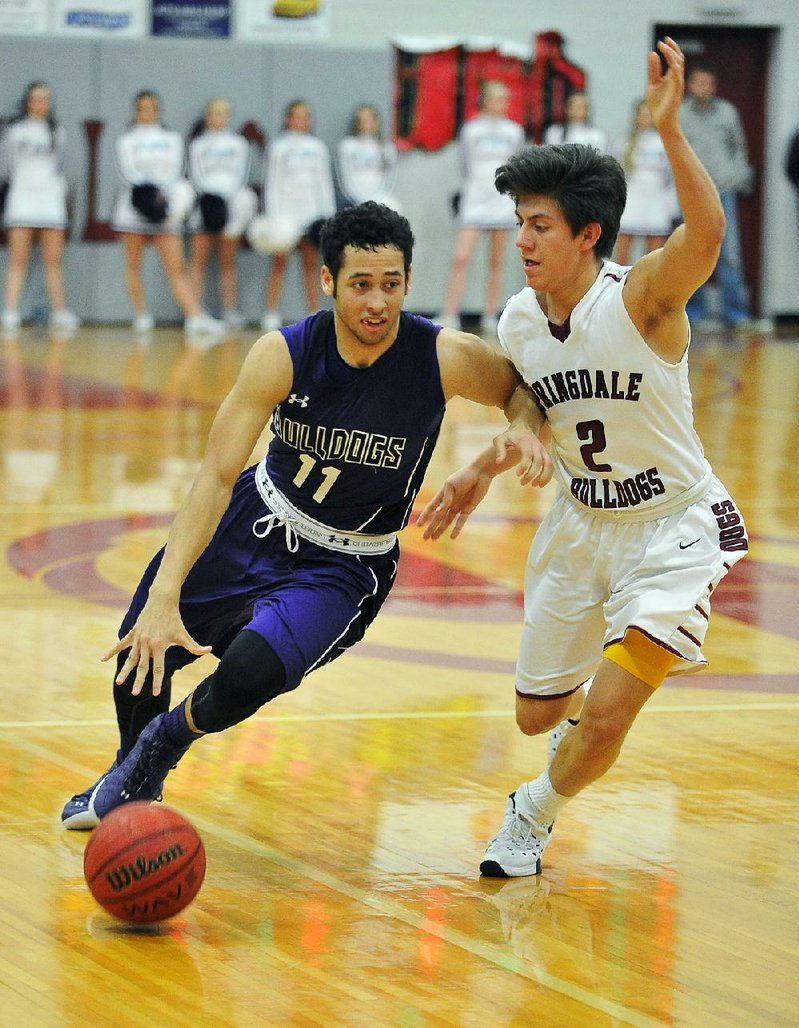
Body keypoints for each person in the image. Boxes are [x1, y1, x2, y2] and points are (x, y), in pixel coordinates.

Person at [59, 200, 552, 830]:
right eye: (361, 285)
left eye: (392, 284)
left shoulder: (441, 355)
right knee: (141, 654)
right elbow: (214, 476)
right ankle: (131, 784)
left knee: (247, 673)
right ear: (327, 281)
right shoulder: (283, 353)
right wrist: (164, 591)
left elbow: (521, 390)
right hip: (256, 516)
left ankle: (161, 748)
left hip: (346, 562)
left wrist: (514, 440)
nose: (378, 302)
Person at [418, 38, 749, 877]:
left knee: (606, 715)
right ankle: (567, 743)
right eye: (518, 223)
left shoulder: (640, 298)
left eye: (539, 226)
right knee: (539, 716)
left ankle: (532, 815)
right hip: (580, 524)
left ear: (587, 233)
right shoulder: (520, 320)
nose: (522, 240)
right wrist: (492, 459)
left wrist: (669, 134)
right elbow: (535, 399)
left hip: (673, 525)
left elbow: (705, 234)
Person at [112, 90, 225, 341]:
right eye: (143, 107)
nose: (148, 111)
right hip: (134, 209)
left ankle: (195, 316)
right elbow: (126, 172)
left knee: (177, 266)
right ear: (136, 111)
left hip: (164, 210)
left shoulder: (172, 139)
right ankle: (141, 315)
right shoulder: (126, 140)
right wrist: (145, 196)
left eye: (153, 106)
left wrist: (164, 199)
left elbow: (177, 170)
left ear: (158, 109)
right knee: (133, 265)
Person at [436, 81, 525, 336]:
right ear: (484, 100)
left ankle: (489, 314)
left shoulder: (514, 131)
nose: (500, 103)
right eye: (495, 98)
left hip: (502, 201)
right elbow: (463, 165)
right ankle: (450, 313)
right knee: (460, 258)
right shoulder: (471, 130)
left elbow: (516, 165)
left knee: (496, 262)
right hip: (475, 200)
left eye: (504, 99)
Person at [680, 63, 755, 331]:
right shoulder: (680, 114)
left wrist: (737, 176)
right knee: (691, 253)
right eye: (699, 82)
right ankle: (693, 313)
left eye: (708, 83)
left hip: (722, 191)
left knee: (729, 254)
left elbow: (739, 149)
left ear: (714, 86)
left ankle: (736, 314)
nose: (704, 88)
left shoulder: (727, 113)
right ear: (689, 85)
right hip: (690, 193)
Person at [0, 82, 80, 333]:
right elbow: (6, 167)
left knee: (53, 260)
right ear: (27, 101)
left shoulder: (57, 132)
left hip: (50, 201)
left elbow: (57, 165)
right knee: (18, 259)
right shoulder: (14, 131)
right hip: (22, 198)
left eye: (45, 98)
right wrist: (25, 184)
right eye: (35, 98)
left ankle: (59, 311)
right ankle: (10, 311)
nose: (40, 103)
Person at [260, 99, 336, 332]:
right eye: (296, 116)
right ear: (288, 118)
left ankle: (313, 311)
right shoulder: (279, 147)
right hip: (286, 214)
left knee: (311, 263)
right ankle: (271, 312)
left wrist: (328, 216)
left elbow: (324, 182)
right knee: (279, 263)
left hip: (311, 214)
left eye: (305, 116)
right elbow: (272, 183)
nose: (301, 120)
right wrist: (275, 216)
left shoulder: (317, 147)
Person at [186, 98, 258, 330]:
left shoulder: (239, 144)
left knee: (228, 263)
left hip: (230, 207)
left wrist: (227, 200)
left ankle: (230, 311)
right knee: (198, 262)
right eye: (215, 113)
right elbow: (195, 175)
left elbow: (241, 175)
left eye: (224, 113)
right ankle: (194, 313)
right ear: (208, 116)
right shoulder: (198, 144)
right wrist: (210, 198)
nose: (220, 117)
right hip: (205, 206)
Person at [614, 98, 676, 265]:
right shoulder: (624, 143)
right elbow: (618, 175)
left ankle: (650, 291)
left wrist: (670, 206)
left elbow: (670, 178)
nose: (646, 118)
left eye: (649, 115)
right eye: (642, 114)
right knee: (622, 256)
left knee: (655, 257)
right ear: (636, 117)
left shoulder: (665, 143)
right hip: (631, 201)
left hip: (656, 201)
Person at [335, 103, 398, 208]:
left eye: (370, 119)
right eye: (362, 120)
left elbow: (390, 178)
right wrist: (360, 200)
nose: (366, 123)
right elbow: (345, 180)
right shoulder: (347, 146)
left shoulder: (387, 148)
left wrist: (378, 199)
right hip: (354, 201)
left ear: (377, 121)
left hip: (381, 200)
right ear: (356, 123)